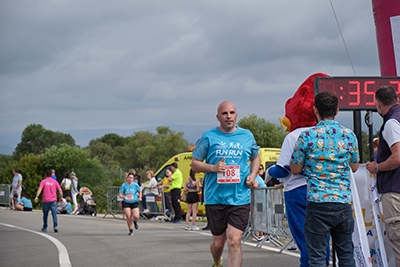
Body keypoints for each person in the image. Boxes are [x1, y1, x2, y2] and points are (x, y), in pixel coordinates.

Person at [290, 92, 359, 266]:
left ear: (315, 110)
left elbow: (295, 168)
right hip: (343, 202)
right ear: (337, 110)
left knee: (318, 258)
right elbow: (355, 166)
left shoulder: (306, 136)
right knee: (346, 256)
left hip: (317, 202)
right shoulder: (349, 135)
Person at [191, 101, 260, 267]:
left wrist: (252, 175)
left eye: (231, 113)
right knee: (218, 244)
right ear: (218, 117)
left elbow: (255, 157)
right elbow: (194, 163)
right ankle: (216, 261)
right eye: (224, 113)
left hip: (239, 197)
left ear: (236, 115)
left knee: (234, 241)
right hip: (215, 197)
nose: (228, 116)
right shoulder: (208, 136)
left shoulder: (247, 136)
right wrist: (212, 167)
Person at [366, 85, 400, 266]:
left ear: (378, 104)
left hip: (395, 192)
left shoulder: (391, 123)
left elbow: (397, 157)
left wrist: (378, 167)